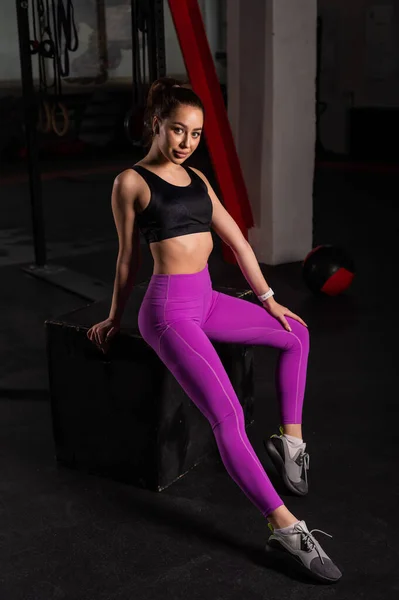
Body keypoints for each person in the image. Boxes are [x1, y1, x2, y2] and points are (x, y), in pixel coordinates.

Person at [87, 77, 342, 583]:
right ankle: (285, 527)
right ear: (155, 125)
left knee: (296, 334)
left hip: (206, 299)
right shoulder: (131, 182)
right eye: (177, 130)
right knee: (228, 419)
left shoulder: (199, 181)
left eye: (196, 134)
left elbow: (239, 245)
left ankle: (290, 441)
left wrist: (270, 301)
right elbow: (126, 261)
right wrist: (115, 317)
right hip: (168, 313)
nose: (186, 142)